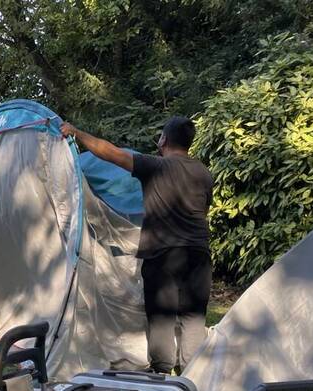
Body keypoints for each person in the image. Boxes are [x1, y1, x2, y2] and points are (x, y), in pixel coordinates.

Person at [60, 116, 213, 373]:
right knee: (193, 317)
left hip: (162, 255)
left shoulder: (156, 166)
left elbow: (111, 153)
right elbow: (204, 209)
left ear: (163, 139)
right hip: (198, 254)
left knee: (162, 317)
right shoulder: (203, 173)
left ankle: (162, 376)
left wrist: (76, 132)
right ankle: (194, 377)